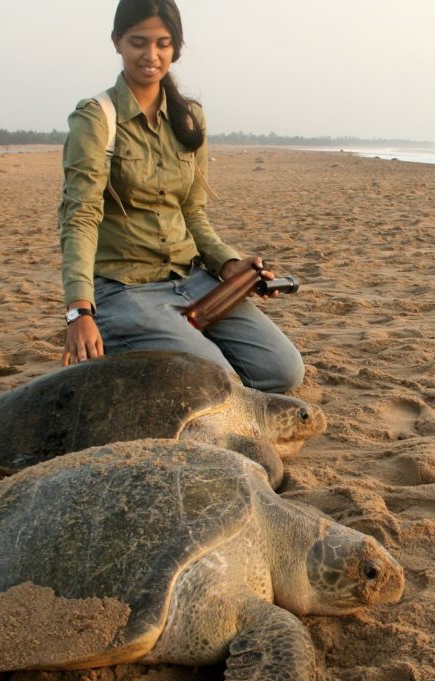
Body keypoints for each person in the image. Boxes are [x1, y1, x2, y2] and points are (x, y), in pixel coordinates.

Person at [58, 0, 304, 393]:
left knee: (283, 371)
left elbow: (192, 212)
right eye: (138, 42)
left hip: (192, 279)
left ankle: (158, 352)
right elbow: (80, 218)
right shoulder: (95, 118)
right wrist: (79, 311)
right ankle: (131, 349)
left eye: (163, 43)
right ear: (117, 41)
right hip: (123, 288)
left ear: (176, 48)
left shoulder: (189, 118)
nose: (151, 56)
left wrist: (227, 264)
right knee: (217, 382)